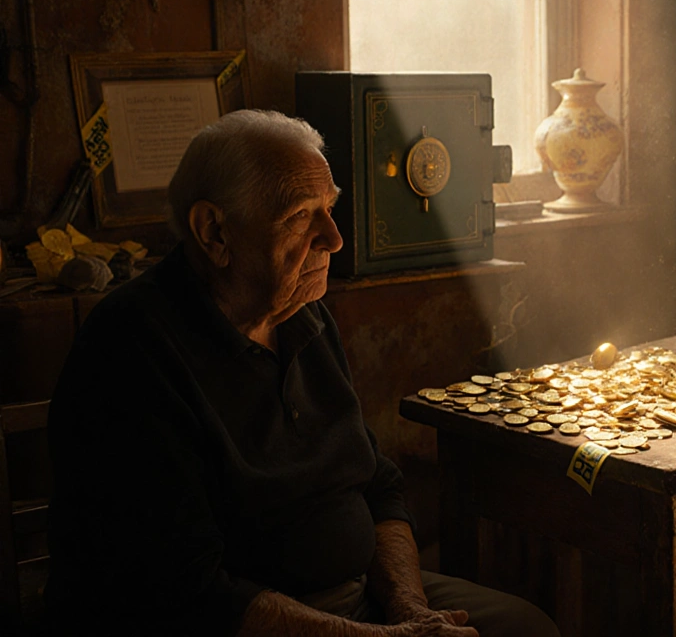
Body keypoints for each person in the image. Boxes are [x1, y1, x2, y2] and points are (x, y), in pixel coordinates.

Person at [46, 110, 560, 637]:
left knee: (527, 627)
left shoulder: (300, 313)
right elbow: (188, 592)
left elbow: (377, 485)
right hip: (238, 622)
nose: (334, 239)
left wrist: (409, 609)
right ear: (214, 231)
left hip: (361, 593)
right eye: (299, 216)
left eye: (329, 210)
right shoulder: (131, 351)